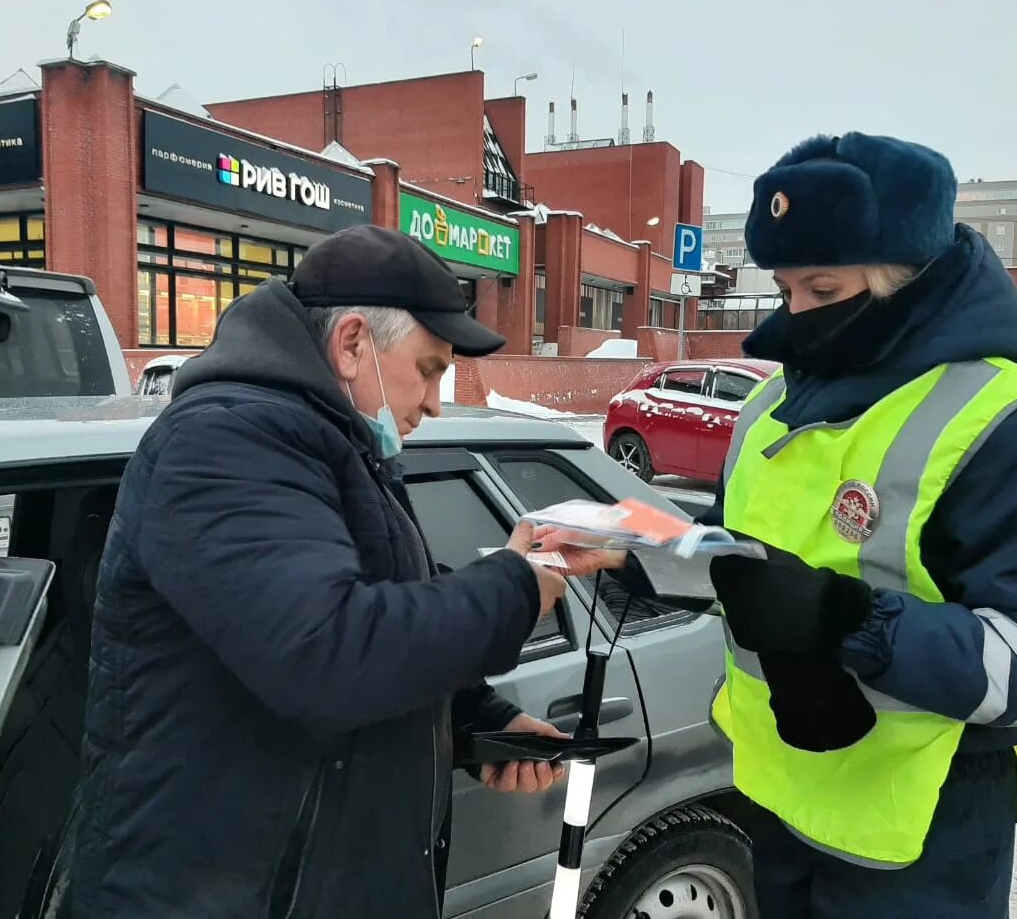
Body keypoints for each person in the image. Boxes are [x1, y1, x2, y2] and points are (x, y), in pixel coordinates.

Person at [72, 225, 617, 918]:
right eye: (429, 367)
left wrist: (473, 720)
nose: (435, 401)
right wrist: (517, 585)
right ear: (354, 342)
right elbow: (324, 655)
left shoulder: (331, 446)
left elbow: (366, 624)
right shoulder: (226, 442)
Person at [703, 132, 1017, 918]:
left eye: (822, 291)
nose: (796, 316)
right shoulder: (765, 408)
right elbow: (736, 548)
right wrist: (650, 554)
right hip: (777, 800)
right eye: (784, 290)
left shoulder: (1016, 426)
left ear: (907, 279)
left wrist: (852, 623)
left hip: (922, 842)